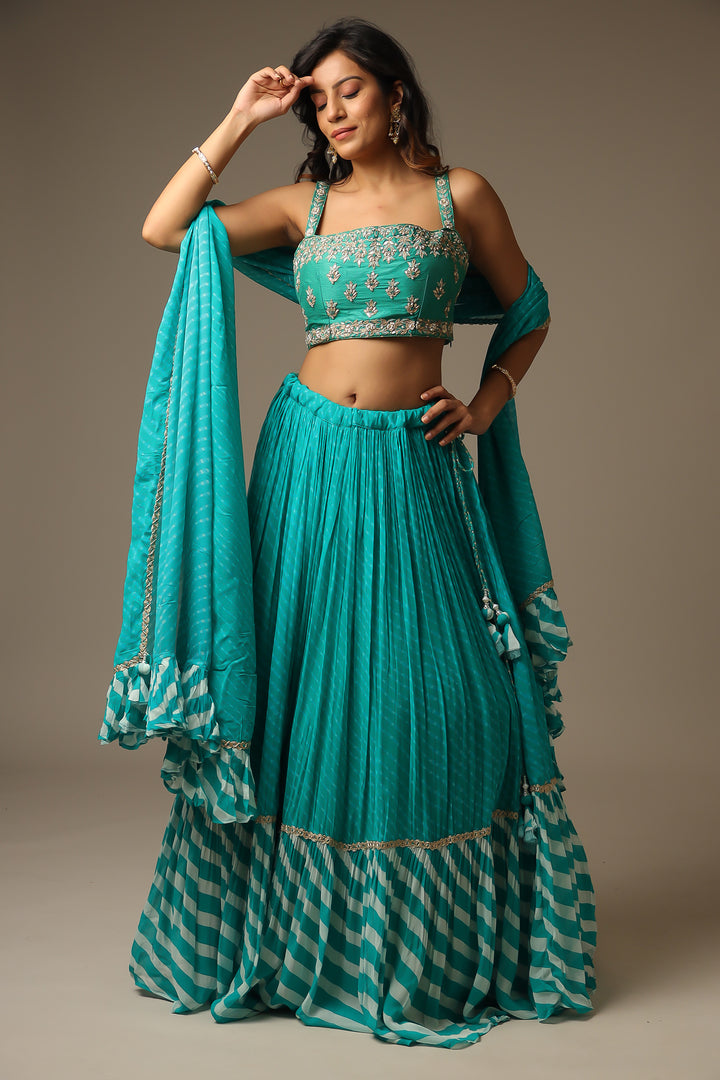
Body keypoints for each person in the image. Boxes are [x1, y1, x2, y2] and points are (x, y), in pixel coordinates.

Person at [107, 16, 597, 1049]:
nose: (332, 112)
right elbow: (166, 228)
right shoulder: (305, 206)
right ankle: (302, 943)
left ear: (395, 94)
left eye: (350, 91)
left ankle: (422, 947)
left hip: (415, 462)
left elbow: (530, 308)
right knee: (303, 684)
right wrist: (241, 118)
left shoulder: (461, 196)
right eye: (317, 98)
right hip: (309, 459)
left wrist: (486, 403)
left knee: (439, 694)